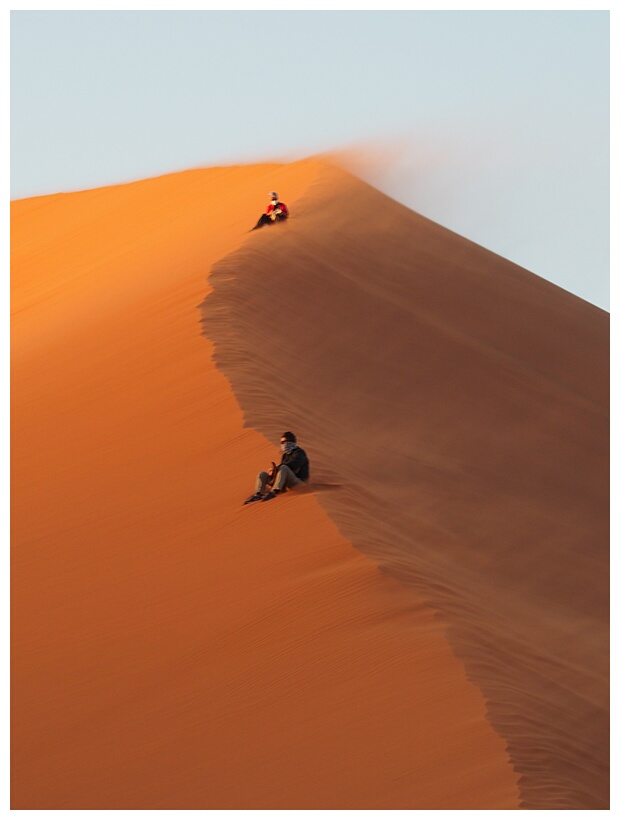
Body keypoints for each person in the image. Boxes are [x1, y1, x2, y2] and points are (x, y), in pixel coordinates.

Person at [244, 431, 310, 503]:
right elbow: (283, 470)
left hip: (299, 484)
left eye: (283, 442)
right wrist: (273, 471)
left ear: (290, 442)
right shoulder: (285, 455)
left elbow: (294, 464)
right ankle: (258, 494)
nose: (282, 445)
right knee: (262, 474)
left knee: (284, 467)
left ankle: (274, 492)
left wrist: (277, 469)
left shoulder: (300, 453)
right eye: (281, 443)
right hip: (287, 482)